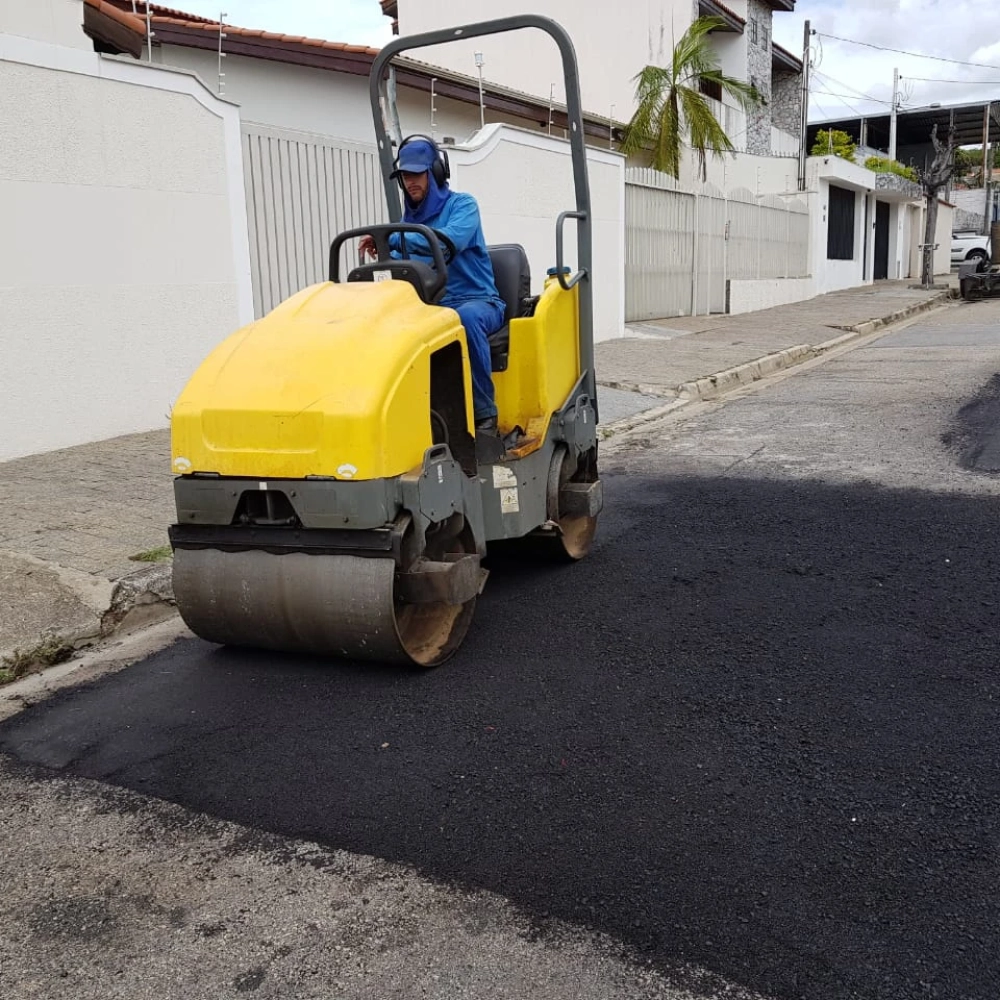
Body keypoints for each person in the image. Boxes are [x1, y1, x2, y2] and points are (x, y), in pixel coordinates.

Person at [360, 135, 505, 433]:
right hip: (432, 307)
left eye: (417, 173)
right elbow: (403, 262)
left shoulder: (463, 206)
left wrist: (393, 238)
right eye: (405, 176)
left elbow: (449, 241)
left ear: (436, 173)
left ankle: (484, 414)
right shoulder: (404, 224)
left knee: (463, 319)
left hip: (478, 302)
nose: (411, 181)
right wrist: (383, 250)